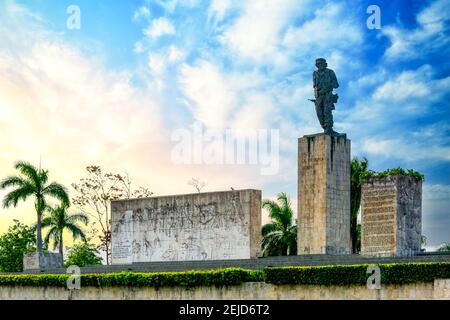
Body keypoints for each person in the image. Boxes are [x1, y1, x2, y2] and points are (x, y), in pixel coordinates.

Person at [312, 58, 339, 135]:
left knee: (327, 111)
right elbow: (314, 86)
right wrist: (316, 95)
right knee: (319, 112)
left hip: (327, 95)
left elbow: (336, 84)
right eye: (318, 64)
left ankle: (329, 128)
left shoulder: (330, 72)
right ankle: (324, 127)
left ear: (325, 64)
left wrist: (327, 88)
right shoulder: (315, 73)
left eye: (321, 63)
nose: (319, 65)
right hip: (318, 96)